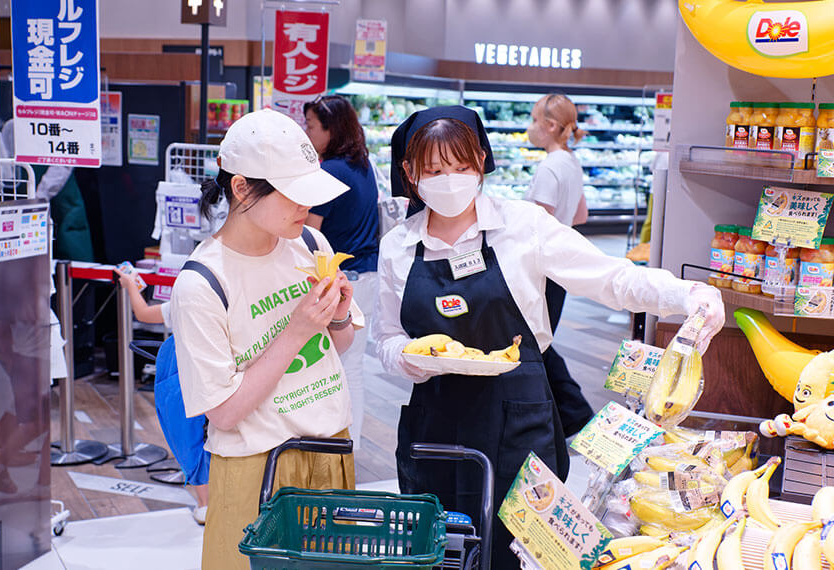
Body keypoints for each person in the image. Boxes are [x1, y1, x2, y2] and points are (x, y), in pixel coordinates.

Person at [373, 105, 725, 569]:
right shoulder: (397, 247)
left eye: (460, 167)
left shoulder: (523, 227)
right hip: (435, 418)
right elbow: (385, 336)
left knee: (519, 552)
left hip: (517, 416)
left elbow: (611, 279)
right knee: (441, 549)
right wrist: (409, 359)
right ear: (410, 172)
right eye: (434, 170)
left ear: (481, 160)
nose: (449, 180)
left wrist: (686, 293)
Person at [170, 109, 363, 570]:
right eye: (293, 194)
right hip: (256, 464)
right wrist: (297, 329)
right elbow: (225, 411)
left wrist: (335, 319)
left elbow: (339, 347)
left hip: (330, 447)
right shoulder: (201, 284)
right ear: (241, 188)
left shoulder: (311, 244)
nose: (305, 206)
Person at [303, 95, 380, 450]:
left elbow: (309, 233)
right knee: (354, 368)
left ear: (331, 129)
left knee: (335, 367)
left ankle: (337, 447)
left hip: (339, 281)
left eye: (311, 126)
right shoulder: (363, 165)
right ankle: (352, 448)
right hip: (366, 275)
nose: (307, 132)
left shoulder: (329, 172)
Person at [113, 266, 208, 525]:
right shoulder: (223, 299)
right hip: (216, 378)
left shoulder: (182, 302)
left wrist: (130, 284)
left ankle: (204, 503)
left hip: (182, 379)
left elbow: (142, 313)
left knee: (189, 438)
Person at [524, 93, 593, 436]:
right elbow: (581, 214)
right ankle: (567, 414)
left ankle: (574, 412)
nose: (530, 127)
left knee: (534, 343)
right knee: (540, 341)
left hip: (539, 270)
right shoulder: (570, 161)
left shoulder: (549, 167)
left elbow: (535, 227)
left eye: (534, 120)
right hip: (559, 268)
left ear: (550, 127)